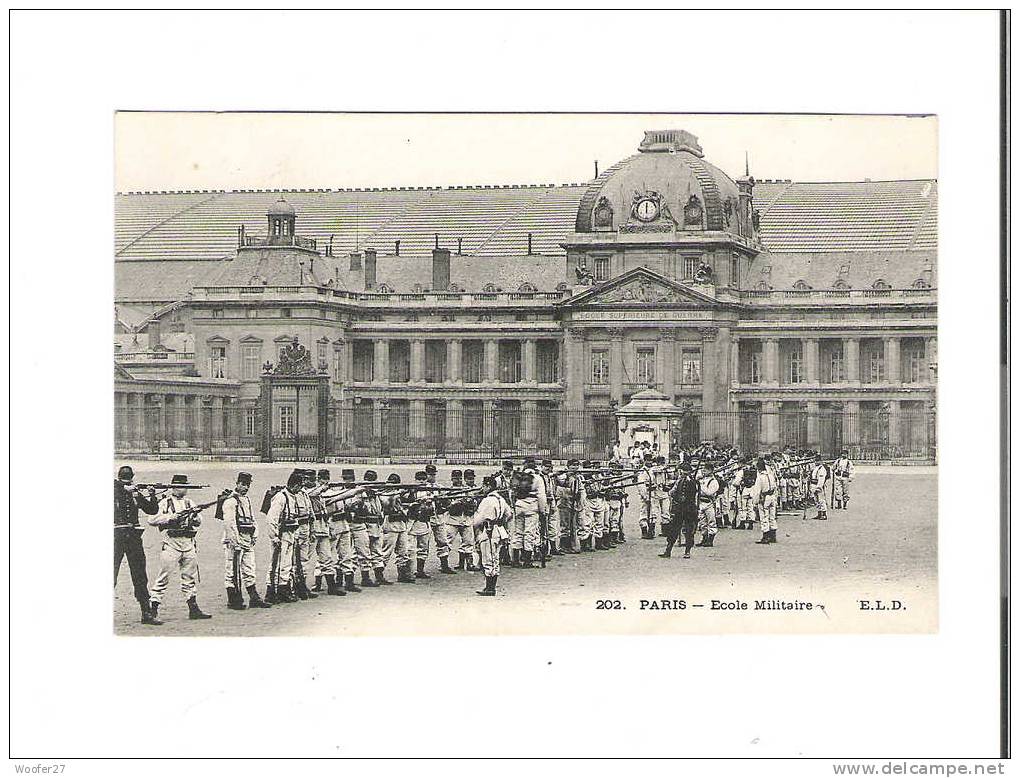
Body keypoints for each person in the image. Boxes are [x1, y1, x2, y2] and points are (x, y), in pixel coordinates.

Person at [148, 474, 212, 621]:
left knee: (189, 578)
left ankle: (193, 608)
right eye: (181, 486)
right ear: (173, 487)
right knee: (163, 578)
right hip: (172, 543)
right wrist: (171, 517)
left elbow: (198, 522)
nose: (183, 489)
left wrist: (195, 516)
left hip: (188, 542)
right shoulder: (165, 503)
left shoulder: (190, 503)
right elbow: (152, 519)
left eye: (185, 487)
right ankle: (153, 608)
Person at [114, 465, 161, 625]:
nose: (128, 480)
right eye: (125, 479)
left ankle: (146, 612)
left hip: (133, 536)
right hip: (115, 536)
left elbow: (152, 510)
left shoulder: (134, 493)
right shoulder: (114, 490)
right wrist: (124, 487)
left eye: (129, 478)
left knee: (140, 575)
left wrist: (152, 495)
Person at [222, 471, 271, 610]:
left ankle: (254, 597)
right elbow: (229, 523)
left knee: (249, 568)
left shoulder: (247, 499)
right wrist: (235, 541)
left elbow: (252, 518)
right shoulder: (230, 501)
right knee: (232, 570)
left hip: (247, 539)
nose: (245, 487)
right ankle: (234, 599)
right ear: (237, 483)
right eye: (243, 484)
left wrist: (255, 534)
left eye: (247, 485)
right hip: (235, 541)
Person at [265, 472, 303, 603]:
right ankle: (271, 593)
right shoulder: (280, 497)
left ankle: (283, 590)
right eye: (299, 486)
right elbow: (271, 518)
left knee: (286, 565)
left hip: (290, 534)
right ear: (295, 485)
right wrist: (274, 537)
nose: (300, 489)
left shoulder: (292, 497)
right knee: (275, 564)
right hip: (281, 535)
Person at [472, 476, 513, 596]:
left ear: (488, 486)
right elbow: (509, 514)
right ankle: (491, 586)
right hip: (499, 530)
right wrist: (501, 521)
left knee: (488, 559)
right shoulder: (501, 498)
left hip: (489, 530)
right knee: (495, 559)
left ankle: (490, 588)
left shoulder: (487, 500)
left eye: (484, 486)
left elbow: (478, 520)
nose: (483, 488)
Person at [379, 473, 415, 584]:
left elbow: (409, 500)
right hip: (390, 524)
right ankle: (379, 574)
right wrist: (395, 494)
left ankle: (402, 574)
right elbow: (387, 506)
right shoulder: (384, 494)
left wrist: (411, 492)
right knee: (386, 552)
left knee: (403, 551)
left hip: (401, 525)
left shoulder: (399, 493)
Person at [511, 458, 547, 566]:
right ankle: (527, 560)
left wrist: (514, 505)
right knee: (529, 533)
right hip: (531, 506)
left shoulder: (518, 476)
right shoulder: (537, 478)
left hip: (519, 505)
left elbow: (512, 492)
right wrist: (542, 510)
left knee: (518, 532)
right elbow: (541, 496)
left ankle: (515, 559)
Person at [310, 468, 340, 595]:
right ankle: (298, 586)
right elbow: (312, 494)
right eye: (322, 478)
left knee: (327, 558)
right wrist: (323, 488)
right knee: (304, 559)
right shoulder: (308, 491)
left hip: (322, 527)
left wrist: (354, 491)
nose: (325, 481)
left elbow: (334, 498)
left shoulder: (322, 492)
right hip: (312, 528)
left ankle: (331, 587)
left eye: (327, 478)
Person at [662, 464, 699, 559]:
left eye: (683, 471)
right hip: (679, 508)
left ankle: (687, 551)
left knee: (689, 530)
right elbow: (672, 492)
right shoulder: (679, 481)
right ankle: (668, 550)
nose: (681, 473)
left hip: (689, 509)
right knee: (674, 529)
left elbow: (695, 494)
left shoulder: (694, 482)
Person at [446, 470, 477, 571]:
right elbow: (445, 504)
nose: (458, 480)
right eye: (455, 478)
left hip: (465, 518)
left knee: (468, 541)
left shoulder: (467, 489)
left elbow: (473, 502)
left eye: (459, 478)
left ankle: (468, 563)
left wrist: (468, 502)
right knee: (447, 540)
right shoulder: (448, 490)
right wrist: (454, 503)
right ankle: (444, 564)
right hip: (453, 519)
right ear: (451, 479)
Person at [750, 457, 779, 544]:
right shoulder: (771, 475)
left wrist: (755, 502)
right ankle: (773, 536)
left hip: (764, 498)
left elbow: (757, 491)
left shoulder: (760, 477)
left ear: (758, 468)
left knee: (764, 517)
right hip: (772, 497)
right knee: (772, 516)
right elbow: (775, 487)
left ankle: (766, 536)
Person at [539, 460, 563, 557]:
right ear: (541, 466)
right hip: (543, 504)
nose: (548, 468)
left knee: (552, 527)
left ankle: (553, 548)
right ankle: (544, 551)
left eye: (550, 467)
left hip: (551, 503)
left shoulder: (551, 477)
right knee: (543, 528)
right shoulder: (539, 477)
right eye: (546, 466)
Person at [695, 465, 722, 548]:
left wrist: (700, 485)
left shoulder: (713, 481)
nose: (703, 471)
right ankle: (704, 538)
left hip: (709, 503)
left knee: (711, 521)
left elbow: (709, 492)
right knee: (702, 522)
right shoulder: (702, 479)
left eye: (706, 470)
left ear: (710, 470)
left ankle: (710, 540)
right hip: (701, 502)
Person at [809, 455, 830, 520]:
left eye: (818, 460)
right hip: (813, 484)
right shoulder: (815, 468)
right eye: (815, 460)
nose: (816, 462)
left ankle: (824, 514)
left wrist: (819, 487)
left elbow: (821, 479)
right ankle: (819, 513)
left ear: (821, 461)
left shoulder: (822, 469)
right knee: (816, 500)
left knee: (821, 500)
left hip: (818, 485)